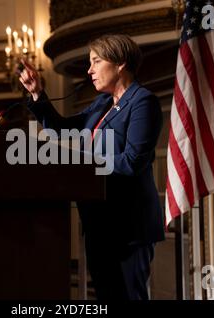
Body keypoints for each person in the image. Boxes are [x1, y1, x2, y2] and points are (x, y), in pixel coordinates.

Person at [18, 34, 165, 300]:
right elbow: (61, 130)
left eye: (96, 61)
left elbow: (133, 161)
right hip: (99, 224)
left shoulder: (143, 101)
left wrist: (85, 164)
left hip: (128, 227)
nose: (89, 70)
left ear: (120, 63)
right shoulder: (102, 104)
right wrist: (37, 93)